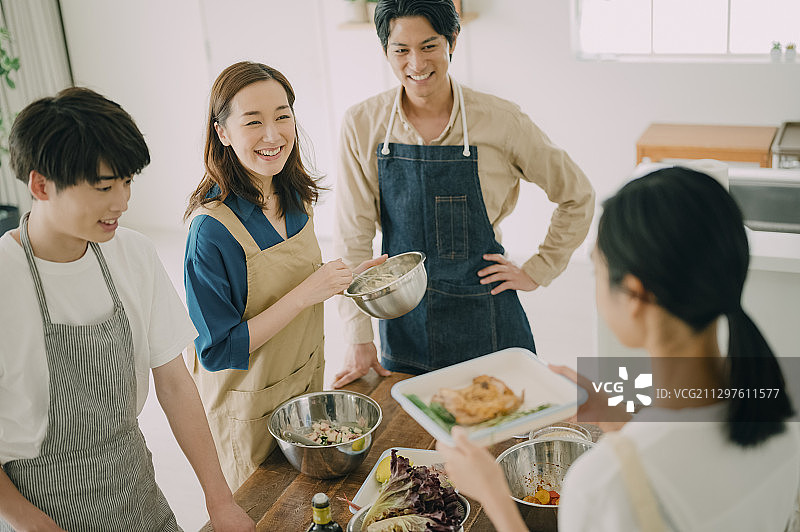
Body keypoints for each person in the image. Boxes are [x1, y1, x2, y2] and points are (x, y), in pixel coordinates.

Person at [436, 167, 800, 531]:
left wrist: (493, 495)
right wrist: (614, 417)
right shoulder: (781, 417)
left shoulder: (601, 486)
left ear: (634, 295)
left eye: (596, 270)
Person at [0, 88, 253, 531]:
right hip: (38, 514)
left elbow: (175, 383)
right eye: (104, 187)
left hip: (137, 498)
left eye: (127, 182)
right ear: (41, 185)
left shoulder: (132, 253)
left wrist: (220, 500)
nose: (122, 202)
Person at [332, 0, 595, 388]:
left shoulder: (501, 120)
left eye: (429, 46)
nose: (416, 64)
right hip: (404, 322)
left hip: (486, 316)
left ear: (452, 40)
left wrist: (539, 269)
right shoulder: (362, 124)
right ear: (385, 50)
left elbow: (577, 195)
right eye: (401, 50)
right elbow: (352, 236)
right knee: (411, 428)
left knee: (505, 420)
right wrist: (358, 335)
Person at [184, 62, 385, 491]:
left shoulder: (293, 195)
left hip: (303, 390)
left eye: (282, 116)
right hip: (249, 410)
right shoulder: (212, 232)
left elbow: (294, 282)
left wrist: (346, 279)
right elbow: (216, 351)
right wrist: (307, 293)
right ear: (222, 133)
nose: (273, 135)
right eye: (253, 121)